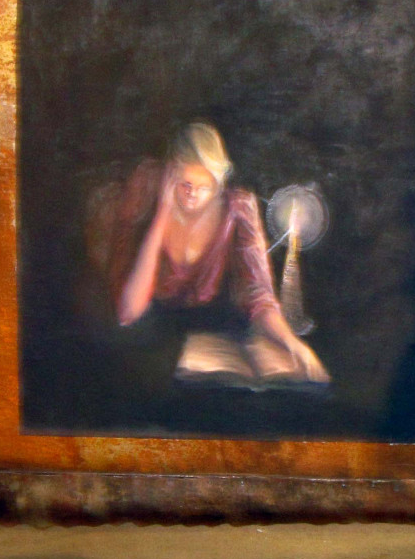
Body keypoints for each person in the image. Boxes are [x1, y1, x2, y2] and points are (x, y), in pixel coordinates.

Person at [100, 123, 329, 384]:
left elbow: (259, 295)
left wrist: (291, 343)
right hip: (150, 347)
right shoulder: (146, 190)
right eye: (185, 184)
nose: (192, 195)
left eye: (204, 186)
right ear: (170, 174)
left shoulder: (239, 209)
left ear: (219, 184)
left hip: (214, 345)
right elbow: (128, 312)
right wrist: (162, 213)